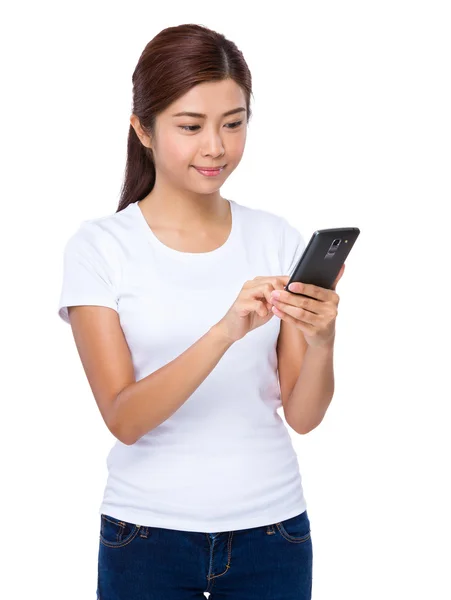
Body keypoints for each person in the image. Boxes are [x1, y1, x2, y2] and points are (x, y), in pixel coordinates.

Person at [57, 23, 328, 600]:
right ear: (143, 130)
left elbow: (302, 416)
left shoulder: (276, 238)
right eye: (191, 126)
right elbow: (124, 418)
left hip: (273, 534)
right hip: (146, 538)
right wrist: (225, 331)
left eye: (234, 123)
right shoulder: (100, 248)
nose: (216, 146)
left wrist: (324, 339)